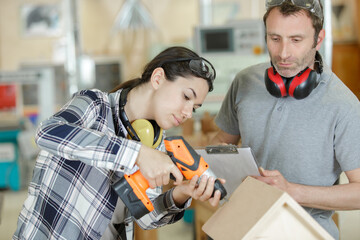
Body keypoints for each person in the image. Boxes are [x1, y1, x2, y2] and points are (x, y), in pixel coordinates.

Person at [13, 46, 224, 240]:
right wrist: (137, 153)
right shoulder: (94, 105)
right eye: (186, 96)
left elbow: (145, 217)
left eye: (194, 107)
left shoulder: (155, 144)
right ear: (158, 78)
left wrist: (181, 194)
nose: (188, 113)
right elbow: (48, 133)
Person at [210, 1, 360, 239]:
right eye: (275, 38)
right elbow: (221, 142)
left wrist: (291, 191)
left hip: (304, 232)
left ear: (318, 39)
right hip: (240, 226)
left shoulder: (343, 105)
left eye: (296, 40)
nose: (283, 53)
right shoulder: (245, 81)